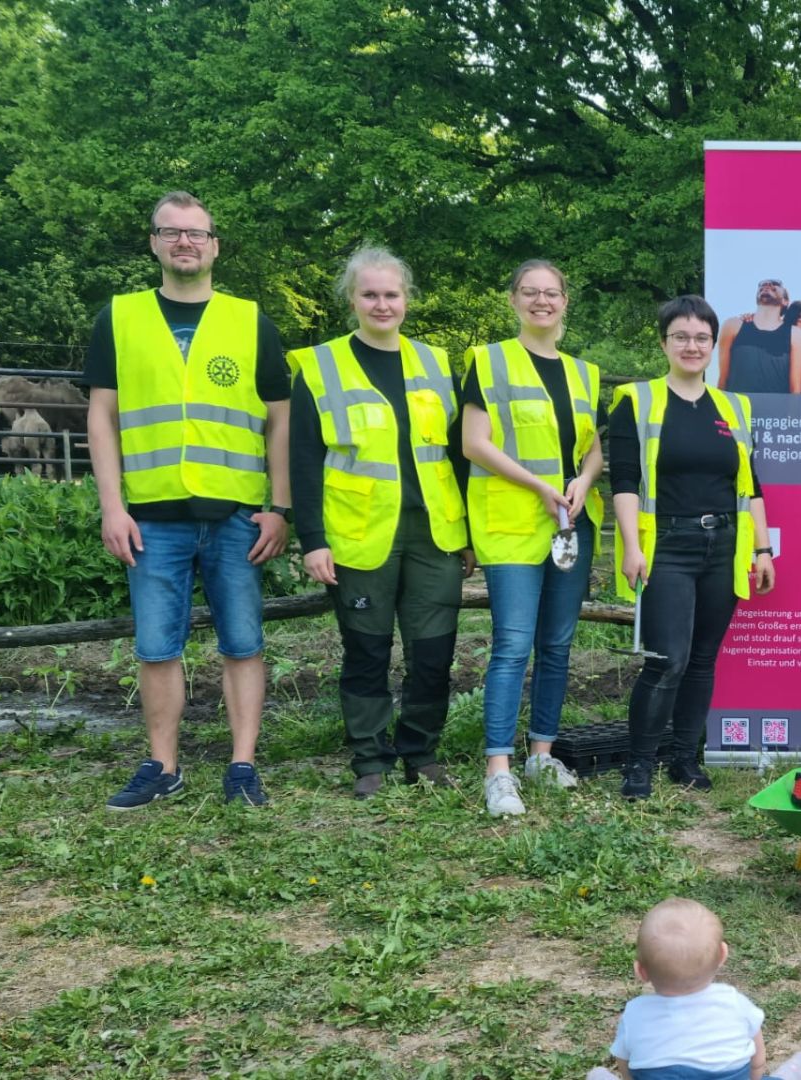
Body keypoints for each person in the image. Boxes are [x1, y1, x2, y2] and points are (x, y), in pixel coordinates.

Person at [83, 190, 290, 809]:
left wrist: (280, 508)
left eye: (196, 233)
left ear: (214, 245)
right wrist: (112, 506)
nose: (184, 242)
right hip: (151, 518)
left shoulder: (250, 320)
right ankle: (162, 765)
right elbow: (102, 418)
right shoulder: (118, 319)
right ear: (153, 243)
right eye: (171, 232)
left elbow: (279, 420)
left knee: (243, 642)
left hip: (234, 516)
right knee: (155, 646)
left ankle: (243, 766)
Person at [289, 247, 469, 800]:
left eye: (392, 294)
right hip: (360, 534)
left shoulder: (437, 363)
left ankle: (421, 751)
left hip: (434, 533)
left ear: (407, 300)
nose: (382, 304)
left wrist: (466, 534)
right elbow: (303, 458)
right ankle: (370, 758)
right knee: (366, 651)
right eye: (370, 294)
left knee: (434, 650)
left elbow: (459, 453)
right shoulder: (320, 367)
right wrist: (313, 540)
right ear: (352, 300)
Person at [608, 296, 775, 801]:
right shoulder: (636, 401)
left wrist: (763, 551)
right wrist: (633, 549)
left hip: (724, 545)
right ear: (664, 343)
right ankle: (639, 764)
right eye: (680, 336)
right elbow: (625, 481)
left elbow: (751, 485)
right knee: (667, 659)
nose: (691, 345)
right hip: (667, 548)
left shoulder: (734, 406)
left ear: (712, 346)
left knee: (703, 659)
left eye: (701, 337)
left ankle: (684, 758)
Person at [461, 260, 606, 818]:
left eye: (551, 293)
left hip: (569, 524)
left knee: (557, 646)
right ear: (514, 300)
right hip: (512, 524)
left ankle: (540, 754)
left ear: (565, 301)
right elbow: (476, 443)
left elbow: (592, 448)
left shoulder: (584, 372)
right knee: (513, 646)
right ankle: (498, 769)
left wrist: (583, 480)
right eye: (530, 292)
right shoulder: (488, 361)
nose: (541, 301)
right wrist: (541, 486)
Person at [587, 898, 801, 1080]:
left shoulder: (635, 1012)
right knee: (800, 1064)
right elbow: (757, 1060)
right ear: (723, 956)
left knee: (596, 1075)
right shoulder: (733, 1002)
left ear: (641, 971)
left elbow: (624, 1064)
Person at [717, 279, 801, 394]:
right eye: (762, 284)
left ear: (785, 301)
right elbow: (723, 379)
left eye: (775, 284)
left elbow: (795, 390)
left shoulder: (796, 335)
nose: (767, 285)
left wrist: (792, 413)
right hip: (738, 410)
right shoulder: (732, 325)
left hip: (775, 411)